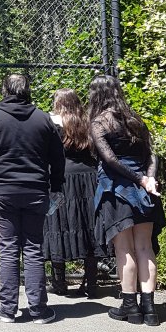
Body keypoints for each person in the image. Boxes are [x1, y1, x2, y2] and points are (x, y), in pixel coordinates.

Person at [0, 73, 65, 323]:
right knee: (33, 248)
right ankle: (39, 310)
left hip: (3, 191)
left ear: (5, 90)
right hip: (36, 190)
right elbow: (58, 158)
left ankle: (8, 309)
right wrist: (56, 186)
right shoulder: (43, 119)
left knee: (8, 248)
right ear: (27, 90)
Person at [88, 75, 165, 327]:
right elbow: (152, 155)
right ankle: (150, 309)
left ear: (95, 96)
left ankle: (130, 305)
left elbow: (110, 160)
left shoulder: (99, 122)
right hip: (143, 191)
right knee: (144, 247)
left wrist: (141, 179)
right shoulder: (135, 120)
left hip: (116, 190)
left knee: (124, 249)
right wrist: (148, 179)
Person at [42, 89, 102, 298]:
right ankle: (91, 283)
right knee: (88, 227)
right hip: (89, 178)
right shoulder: (88, 121)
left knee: (57, 225)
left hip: (61, 176)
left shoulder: (51, 122)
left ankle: (59, 282)